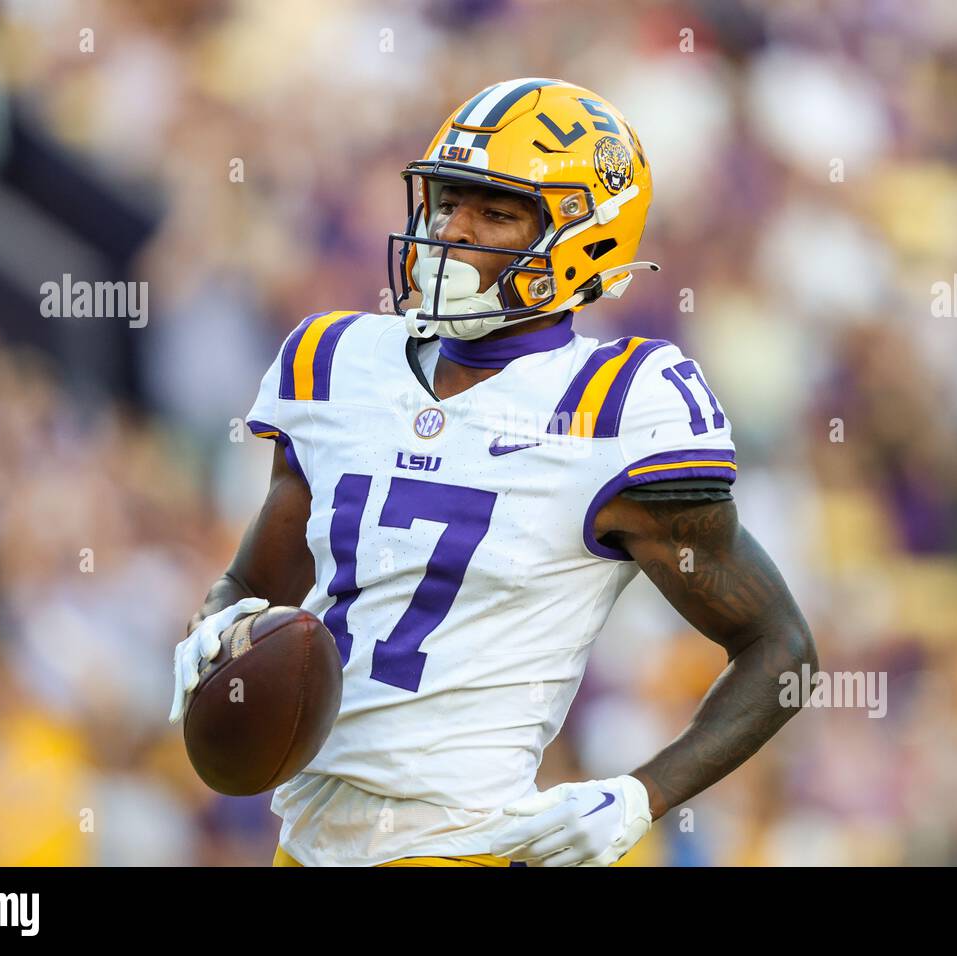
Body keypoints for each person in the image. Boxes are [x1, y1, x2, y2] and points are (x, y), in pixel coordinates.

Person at [169, 77, 816, 867]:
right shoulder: (336, 361)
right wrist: (215, 627)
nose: (451, 230)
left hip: (465, 845)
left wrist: (641, 795)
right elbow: (258, 590)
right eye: (446, 202)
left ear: (585, 238)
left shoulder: (618, 406)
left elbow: (779, 647)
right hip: (303, 844)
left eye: (495, 212)